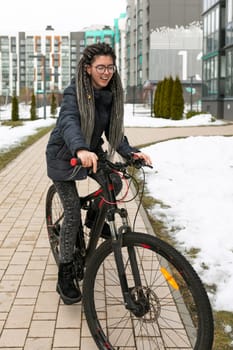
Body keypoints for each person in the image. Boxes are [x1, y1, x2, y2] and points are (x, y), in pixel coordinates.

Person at [46, 42, 152, 305]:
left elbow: (114, 132)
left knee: (114, 182)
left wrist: (131, 153)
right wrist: (80, 148)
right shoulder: (74, 93)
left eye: (110, 67)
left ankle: (94, 220)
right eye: (101, 67)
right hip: (65, 155)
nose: (106, 72)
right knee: (71, 212)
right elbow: (69, 121)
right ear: (88, 68)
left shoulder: (112, 94)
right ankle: (66, 274)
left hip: (92, 151)